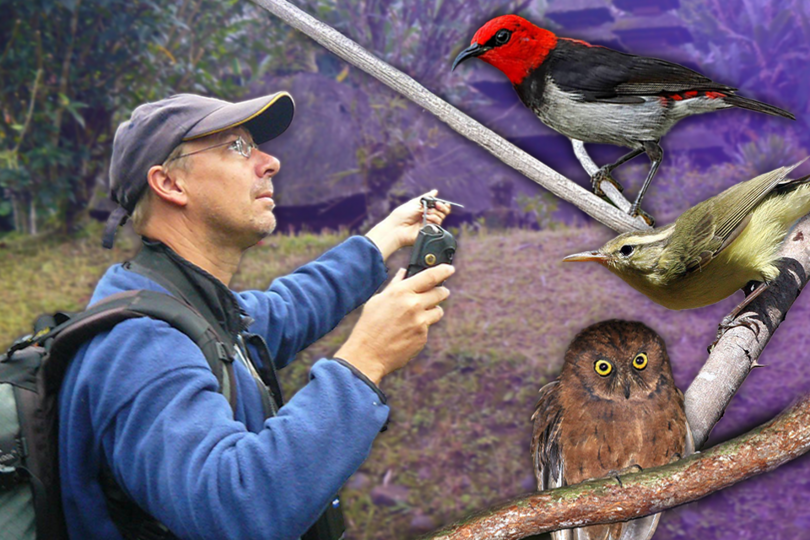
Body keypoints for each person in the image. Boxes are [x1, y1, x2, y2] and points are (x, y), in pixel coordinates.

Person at [59, 92, 454, 540]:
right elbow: (233, 510)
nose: (270, 163)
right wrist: (366, 360)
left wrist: (381, 240)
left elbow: (291, 306)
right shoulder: (138, 343)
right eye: (237, 147)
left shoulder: (195, 306)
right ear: (170, 184)